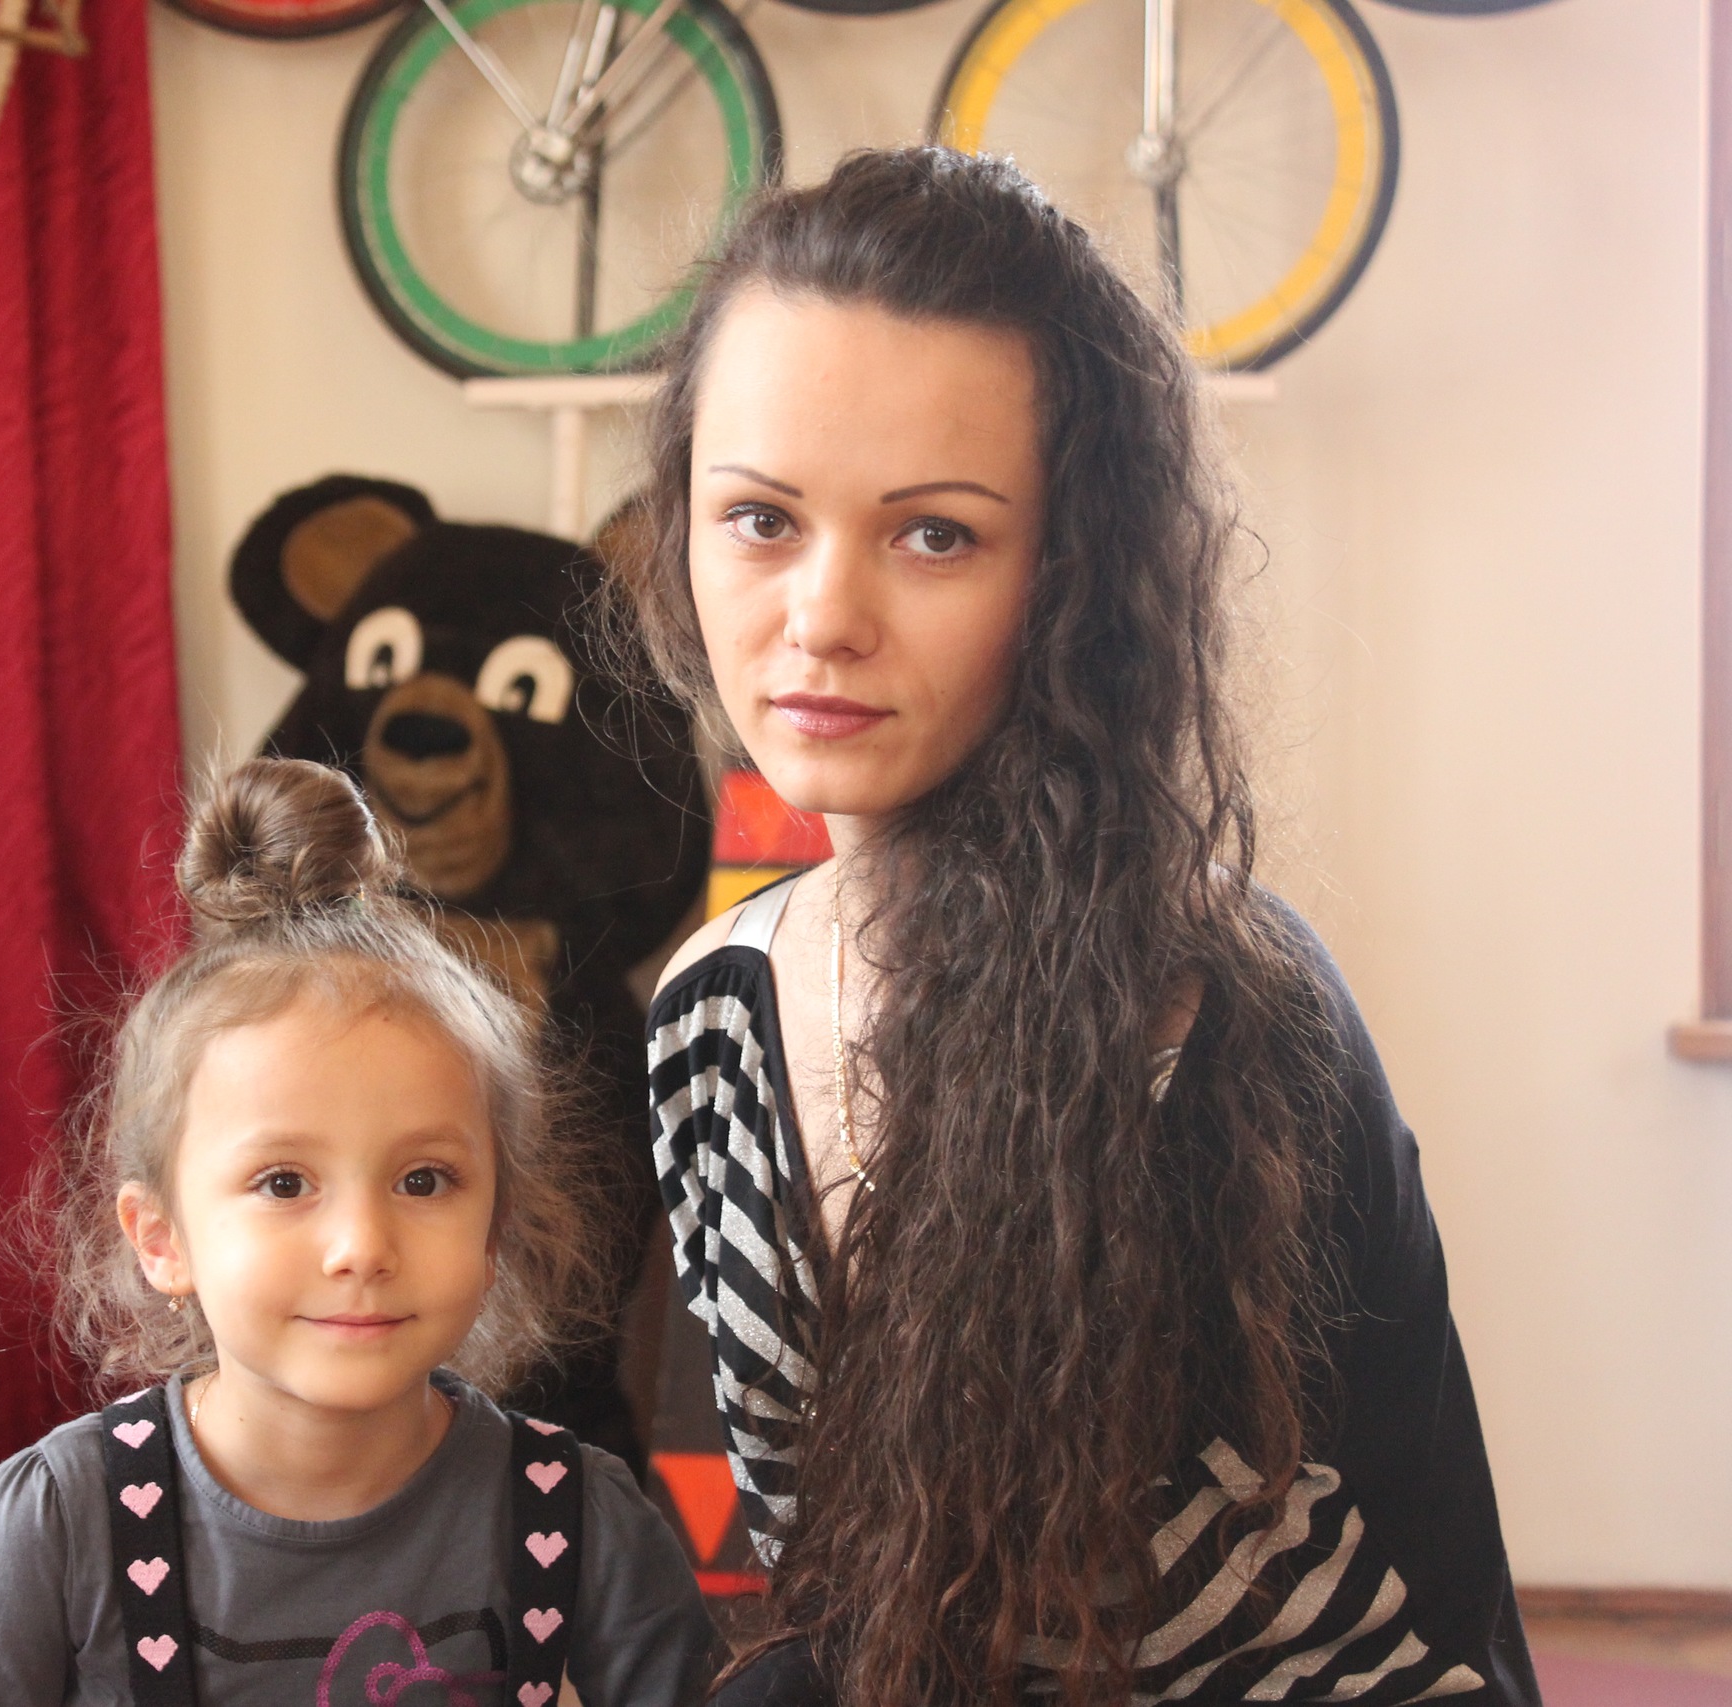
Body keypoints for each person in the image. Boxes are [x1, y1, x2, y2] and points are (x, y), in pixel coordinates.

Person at [615, 149, 1539, 1707]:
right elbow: (842, 1597)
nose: (821, 615)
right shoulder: (710, 1018)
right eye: (761, 518)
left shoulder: (1218, 1009)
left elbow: (1356, 1604)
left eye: (935, 535)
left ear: (1074, 575)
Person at [0, 758, 715, 1707]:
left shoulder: (577, 1514)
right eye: (284, 1182)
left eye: (424, 1179)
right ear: (162, 1237)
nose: (361, 1245)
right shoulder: (56, 1526)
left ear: (496, 1226)